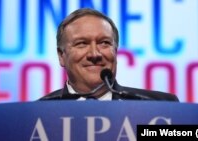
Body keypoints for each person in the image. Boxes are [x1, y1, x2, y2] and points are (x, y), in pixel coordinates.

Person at [39, 8, 179, 101]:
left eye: (104, 43)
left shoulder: (159, 107)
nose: (94, 54)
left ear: (115, 51)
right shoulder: (34, 114)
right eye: (82, 43)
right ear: (61, 56)